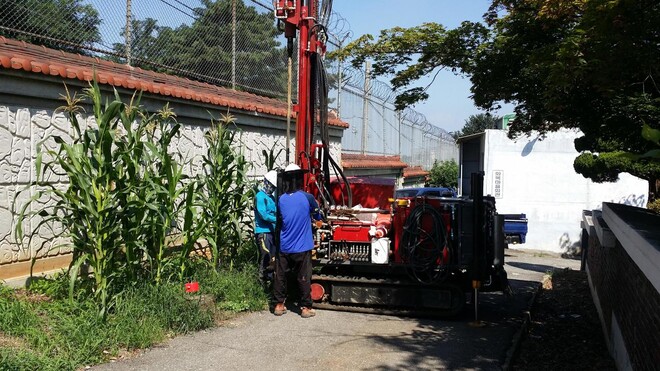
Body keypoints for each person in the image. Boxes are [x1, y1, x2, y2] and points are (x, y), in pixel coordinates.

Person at [273, 163, 322, 318]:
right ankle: (305, 308)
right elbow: (318, 216)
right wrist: (316, 219)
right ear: (300, 179)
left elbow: (280, 219)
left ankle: (279, 305)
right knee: (303, 277)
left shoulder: (280, 199)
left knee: (280, 276)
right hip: (302, 246)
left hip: (284, 246)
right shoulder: (308, 197)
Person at [254, 170, 278, 283]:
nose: (272, 188)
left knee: (273, 258)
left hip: (271, 232)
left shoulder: (271, 198)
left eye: (274, 187)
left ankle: (270, 281)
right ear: (266, 182)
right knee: (266, 256)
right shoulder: (260, 196)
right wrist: (277, 220)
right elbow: (263, 214)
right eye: (271, 186)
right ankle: (261, 282)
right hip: (263, 232)